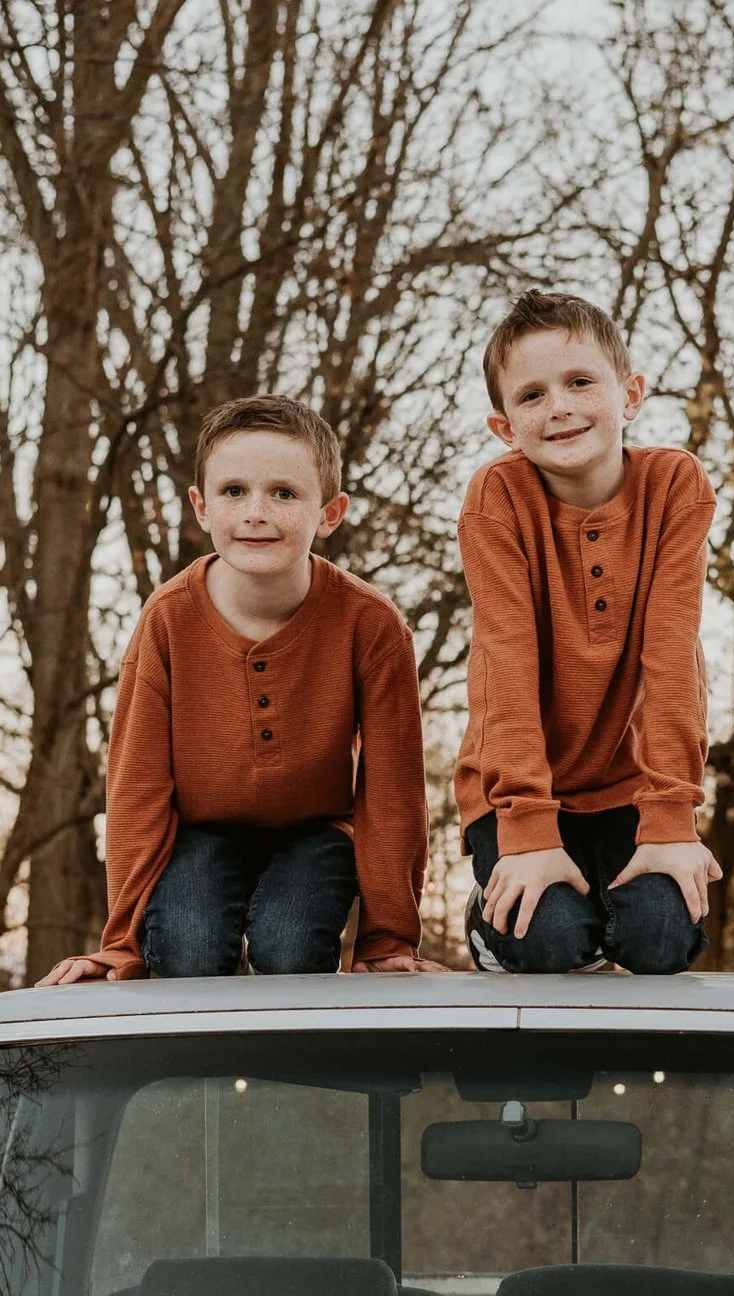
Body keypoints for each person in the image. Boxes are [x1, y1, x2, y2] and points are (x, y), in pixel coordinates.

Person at [38, 396, 436, 986]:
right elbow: (136, 783)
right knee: (188, 952)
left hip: (318, 826)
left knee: (292, 947)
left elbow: (392, 790)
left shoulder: (371, 624)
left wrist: (388, 936)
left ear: (330, 512)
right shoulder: (167, 619)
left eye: (283, 493)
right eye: (233, 492)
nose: (256, 512)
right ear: (201, 506)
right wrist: (122, 943)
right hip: (201, 830)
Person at [454, 289, 718, 975]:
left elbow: (672, 662)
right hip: (517, 786)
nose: (560, 407)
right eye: (532, 395)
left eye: (579, 383)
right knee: (548, 940)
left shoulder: (675, 487)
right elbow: (503, 668)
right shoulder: (498, 499)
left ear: (629, 394)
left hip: (627, 783)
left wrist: (671, 819)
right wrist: (528, 833)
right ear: (504, 426)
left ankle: (610, 909)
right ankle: (488, 922)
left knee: (661, 939)